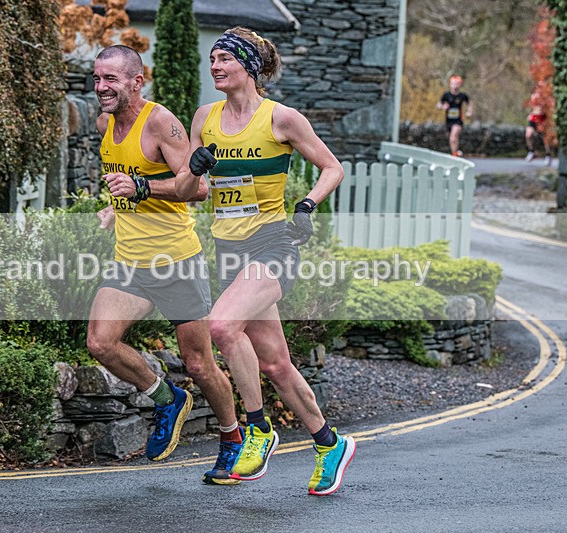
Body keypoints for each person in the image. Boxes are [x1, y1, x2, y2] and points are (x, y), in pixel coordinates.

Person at [174, 28, 355, 496]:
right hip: (227, 249)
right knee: (276, 364)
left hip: (272, 243)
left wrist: (308, 205)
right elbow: (191, 193)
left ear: (248, 68)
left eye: (224, 59)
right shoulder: (204, 118)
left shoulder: (282, 119)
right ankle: (329, 443)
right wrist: (192, 172)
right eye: (211, 59)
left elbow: (332, 167)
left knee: (222, 327)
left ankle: (257, 428)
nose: (214, 66)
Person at [87, 45, 243, 483]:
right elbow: (125, 185)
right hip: (129, 261)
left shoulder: (160, 122)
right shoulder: (105, 123)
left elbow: (198, 189)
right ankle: (165, 397)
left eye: (111, 79)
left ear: (138, 81)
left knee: (199, 364)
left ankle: (232, 437)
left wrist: (139, 188)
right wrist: (115, 208)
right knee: (100, 343)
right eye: (98, 78)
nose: (101, 87)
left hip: (176, 260)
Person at [437, 75, 473, 157]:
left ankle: (454, 155)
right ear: (450, 84)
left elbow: (469, 103)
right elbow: (439, 104)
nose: (455, 86)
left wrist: (469, 112)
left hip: (458, 120)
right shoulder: (446, 95)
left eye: (457, 84)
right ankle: (455, 152)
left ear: (460, 85)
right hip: (449, 120)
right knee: (452, 139)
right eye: (453, 84)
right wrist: (443, 107)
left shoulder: (462, 96)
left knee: (453, 137)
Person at [525, 91, 552, 165]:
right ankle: (531, 151)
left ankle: (548, 155)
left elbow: (548, 108)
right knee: (528, 135)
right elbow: (533, 107)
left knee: (545, 138)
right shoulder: (533, 96)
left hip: (543, 119)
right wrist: (531, 114)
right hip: (534, 118)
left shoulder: (546, 97)